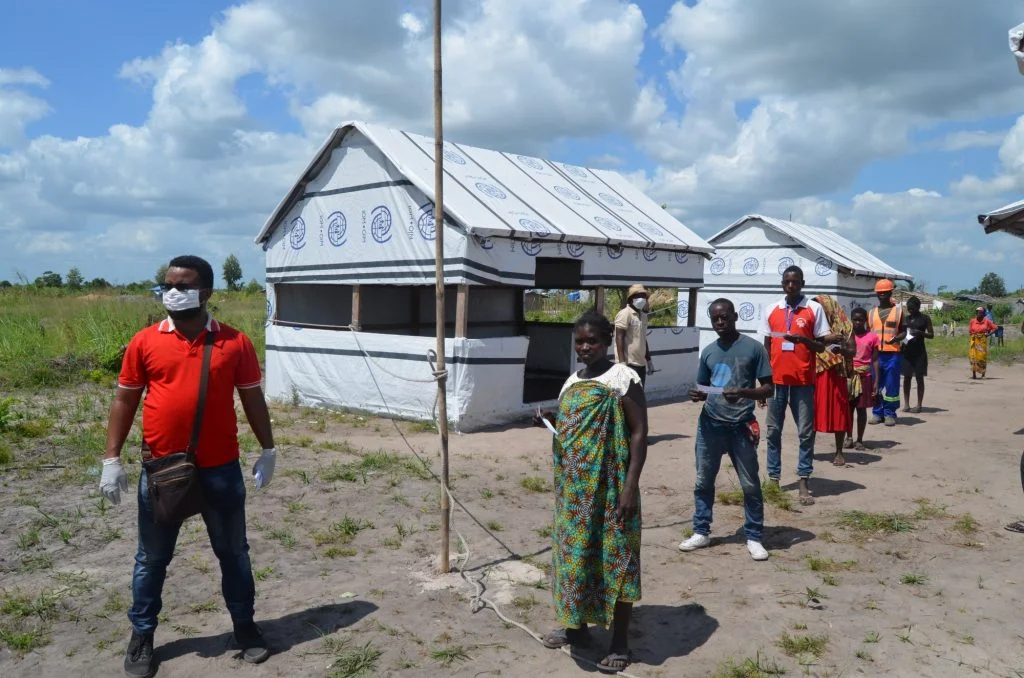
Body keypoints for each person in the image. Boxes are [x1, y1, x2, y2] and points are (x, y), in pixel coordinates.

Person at [100, 255, 278, 678]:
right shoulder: (145, 341)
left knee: (233, 553)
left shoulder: (235, 342)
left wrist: (269, 449)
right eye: (168, 285)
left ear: (206, 292)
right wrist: (111, 458)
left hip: (221, 469)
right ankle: (142, 636)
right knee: (151, 559)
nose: (172, 292)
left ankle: (244, 627)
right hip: (163, 471)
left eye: (183, 285)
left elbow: (252, 398)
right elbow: (125, 399)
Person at [536, 310, 647, 674]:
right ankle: (577, 629)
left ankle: (619, 643)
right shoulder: (572, 382)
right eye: (579, 342)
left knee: (616, 559)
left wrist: (630, 487)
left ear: (607, 342)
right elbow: (573, 425)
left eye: (592, 341)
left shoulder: (623, 378)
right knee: (575, 559)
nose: (584, 348)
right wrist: (550, 418)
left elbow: (639, 432)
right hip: (574, 495)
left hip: (612, 490)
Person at [679, 299, 774, 561]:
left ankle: (754, 536)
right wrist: (698, 394)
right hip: (710, 425)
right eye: (715, 319)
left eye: (725, 317)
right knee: (703, 481)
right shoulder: (709, 351)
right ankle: (701, 531)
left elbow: (769, 388)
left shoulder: (753, 348)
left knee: (750, 484)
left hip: (741, 425)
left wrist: (743, 392)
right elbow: (704, 385)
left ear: (735, 316)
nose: (720, 322)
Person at [760, 265, 829, 505]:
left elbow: (822, 346)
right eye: (787, 281)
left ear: (802, 284)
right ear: (782, 284)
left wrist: (803, 340)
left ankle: (803, 480)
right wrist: (763, 380)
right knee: (773, 432)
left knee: (805, 433)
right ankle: (773, 479)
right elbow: (767, 346)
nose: (791, 285)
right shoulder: (771, 309)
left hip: (803, 381)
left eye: (796, 281)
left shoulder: (814, 309)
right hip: (776, 382)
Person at [812, 295, 855, 466]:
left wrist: (842, 349)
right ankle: (808, 450)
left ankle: (839, 452)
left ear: (828, 309)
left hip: (837, 375)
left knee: (839, 413)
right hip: (815, 374)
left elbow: (852, 351)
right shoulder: (811, 325)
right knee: (811, 413)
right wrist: (824, 340)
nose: (815, 312)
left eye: (819, 309)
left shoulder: (845, 326)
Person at [868, 279, 905, 426]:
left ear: (890, 293)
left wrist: (896, 339)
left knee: (891, 384)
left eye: (885, 292)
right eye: (880, 293)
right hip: (875, 355)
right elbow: (867, 333)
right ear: (876, 294)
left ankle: (890, 413)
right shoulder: (871, 313)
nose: (882, 295)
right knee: (875, 384)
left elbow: (904, 332)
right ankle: (877, 412)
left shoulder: (899, 312)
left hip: (892, 354)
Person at [847, 308, 880, 451]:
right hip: (849, 376)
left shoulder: (872, 337)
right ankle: (848, 437)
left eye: (861, 320)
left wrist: (876, 381)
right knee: (848, 409)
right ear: (851, 320)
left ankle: (859, 440)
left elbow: (875, 360)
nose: (858, 322)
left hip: (865, 377)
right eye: (855, 319)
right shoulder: (847, 336)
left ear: (866, 321)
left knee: (861, 409)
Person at [614, 284, 653, 387]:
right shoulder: (625, 314)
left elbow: (643, 339)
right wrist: (622, 363)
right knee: (628, 394)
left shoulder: (643, 316)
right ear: (631, 298)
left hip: (641, 364)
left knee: (639, 394)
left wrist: (649, 360)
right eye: (639, 296)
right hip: (628, 364)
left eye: (644, 297)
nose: (642, 299)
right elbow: (619, 337)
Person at [901, 296, 934, 413]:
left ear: (918, 307)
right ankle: (906, 404)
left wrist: (920, 333)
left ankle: (919, 405)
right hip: (907, 352)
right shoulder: (906, 319)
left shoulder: (925, 319)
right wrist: (902, 344)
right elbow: (903, 334)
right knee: (907, 378)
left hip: (919, 353)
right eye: (909, 308)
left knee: (919, 378)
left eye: (912, 308)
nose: (910, 310)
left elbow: (931, 335)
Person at [968, 306, 998, 379]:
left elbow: (995, 328)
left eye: (980, 312)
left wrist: (988, 334)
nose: (978, 313)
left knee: (982, 357)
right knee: (973, 357)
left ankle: (983, 375)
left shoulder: (987, 321)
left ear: (983, 313)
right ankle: (974, 375)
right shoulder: (972, 321)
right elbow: (970, 331)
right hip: (974, 341)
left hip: (982, 341)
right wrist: (973, 335)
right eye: (977, 312)